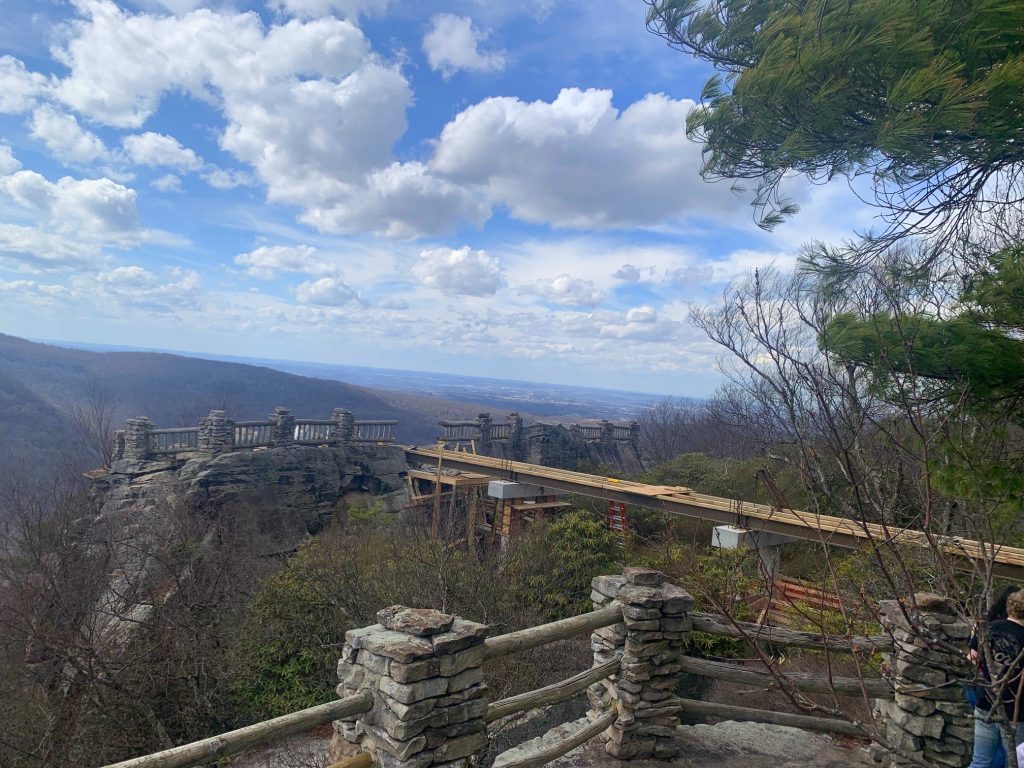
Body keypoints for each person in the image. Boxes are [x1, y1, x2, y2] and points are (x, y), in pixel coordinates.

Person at [971, 589, 1024, 768]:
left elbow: (972, 656)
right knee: (1015, 762)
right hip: (1014, 711)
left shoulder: (990, 627)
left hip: (985, 700)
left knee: (980, 760)